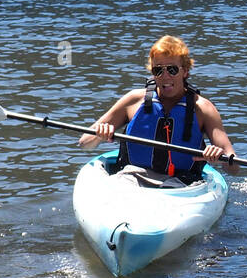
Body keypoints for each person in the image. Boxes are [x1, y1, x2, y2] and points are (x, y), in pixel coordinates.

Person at [79, 35, 238, 186]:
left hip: (183, 184)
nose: (165, 76)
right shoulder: (134, 100)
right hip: (132, 178)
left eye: (172, 69)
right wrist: (98, 135)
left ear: (185, 71)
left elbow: (234, 167)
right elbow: (84, 143)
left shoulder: (203, 109)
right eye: (158, 70)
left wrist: (220, 157)